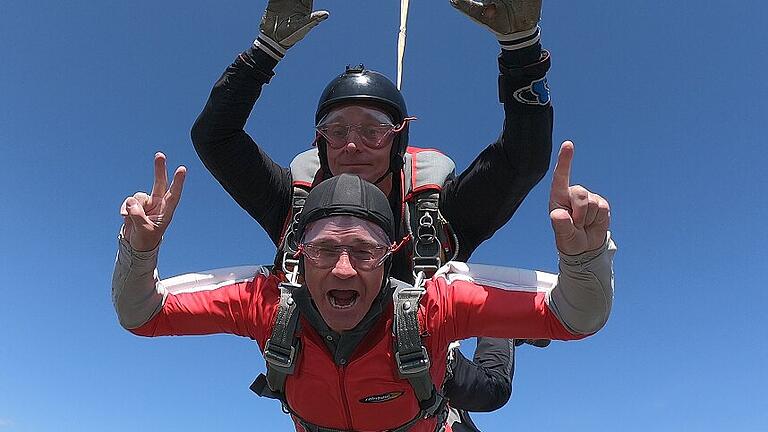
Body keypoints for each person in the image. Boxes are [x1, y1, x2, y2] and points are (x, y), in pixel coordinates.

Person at [190, 0, 553, 421]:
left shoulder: (436, 212)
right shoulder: (293, 205)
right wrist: (264, 49)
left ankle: (501, 334)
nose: (351, 145)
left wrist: (522, 50)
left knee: (489, 393)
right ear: (320, 141)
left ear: (398, 139)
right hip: (329, 381)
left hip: (421, 368)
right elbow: (214, 137)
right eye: (337, 130)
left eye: (373, 131)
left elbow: (523, 160)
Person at [113, 142, 615, 432]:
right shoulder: (263, 303)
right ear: (299, 255)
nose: (345, 270)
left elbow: (577, 316)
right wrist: (138, 251)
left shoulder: (434, 307)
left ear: (391, 256)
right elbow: (143, 315)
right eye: (325, 250)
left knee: (492, 393)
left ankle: (498, 333)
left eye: (365, 251)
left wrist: (585, 257)